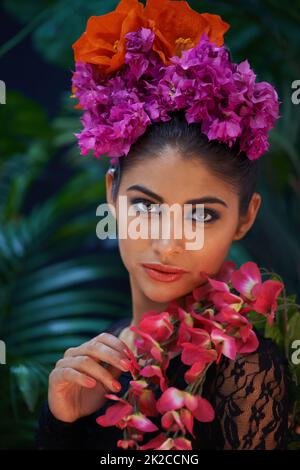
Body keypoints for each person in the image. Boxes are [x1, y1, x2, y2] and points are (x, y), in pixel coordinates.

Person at [36, 0, 290, 450]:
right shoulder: (101, 354)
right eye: (147, 207)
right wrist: (64, 423)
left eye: (201, 215)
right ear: (112, 194)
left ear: (245, 218)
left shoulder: (244, 372)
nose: (169, 243)